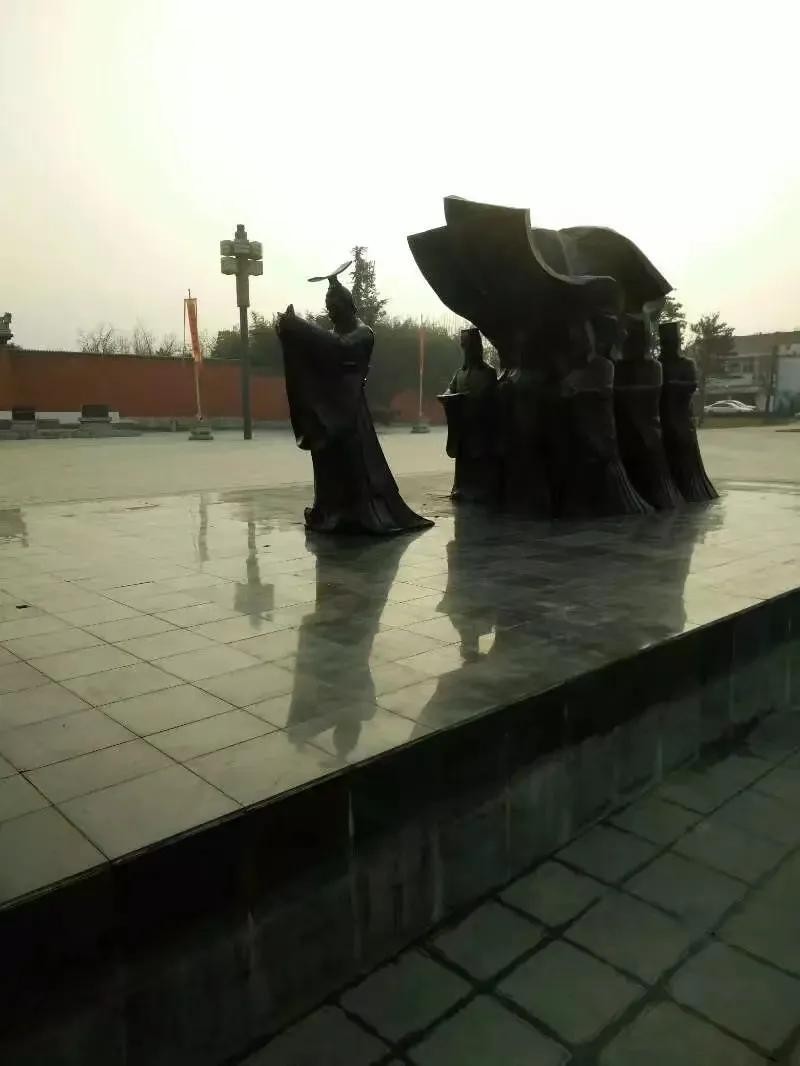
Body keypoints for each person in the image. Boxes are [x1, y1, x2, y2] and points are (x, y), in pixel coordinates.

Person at [276, 266, 433, 535]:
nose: (330, 311)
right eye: (328, 307)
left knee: (354, 463)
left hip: (349, 412)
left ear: (349, 306)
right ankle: (332, 511)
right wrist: (290, 336)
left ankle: (362, 513)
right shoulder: (332, 333)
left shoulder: (363, 333)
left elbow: (340, 348)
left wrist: (301, 328)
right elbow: (319, 354)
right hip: (329, 410)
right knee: (328, 462)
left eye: (335, 306)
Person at [439, 327, 498, 503]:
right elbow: (450, 389)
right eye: (463, 346)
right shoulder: (460, 373)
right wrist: (448, 396)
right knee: (463, 457)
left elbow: (490, 398)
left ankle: (481, 489)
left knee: (479, 456)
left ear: (476, 347)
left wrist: (472, 400)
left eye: (468, 346)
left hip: (480, 425)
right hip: (463, 425)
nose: (466, 350)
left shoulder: (488, 372)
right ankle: (461, 487)